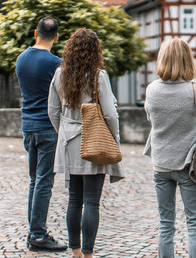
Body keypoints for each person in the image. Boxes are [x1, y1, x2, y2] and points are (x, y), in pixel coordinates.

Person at [48, 28, 125, 258]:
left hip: (69, 143)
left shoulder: (60, 75)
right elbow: (110, 114)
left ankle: (75, 251)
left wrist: (64, 133)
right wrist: (114, 139)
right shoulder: (98, 76)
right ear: (95, 51)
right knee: (91, 202)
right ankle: (89, 254)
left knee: (74, 199)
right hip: (94, 140)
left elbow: (52, 111)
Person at [143, 38, 196, 258]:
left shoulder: (152, 89)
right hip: (188, 165)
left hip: (161, 165)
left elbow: (151, 118)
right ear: (188, 60)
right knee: (195, 223)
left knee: (165, 224)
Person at [15, 16, 67, 251]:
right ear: (56, 37)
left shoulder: (21, 59)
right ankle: (37, 235)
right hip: (48, 128)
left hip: (28, 126)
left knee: (35, 181)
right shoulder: (57, 63)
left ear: (35, 33)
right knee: (44, 182)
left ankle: (34, 231)